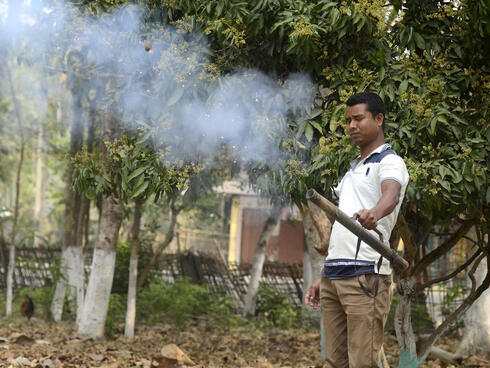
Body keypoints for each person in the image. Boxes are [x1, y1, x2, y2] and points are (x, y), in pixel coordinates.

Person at [305, 92, 409, 368]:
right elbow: (342, 231)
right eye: (349, 120)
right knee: (333, 363)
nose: (351, 125)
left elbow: (392, 193)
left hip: (365, 277)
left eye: (358, 118)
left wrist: (375, 213)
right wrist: (323, 274)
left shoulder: (389, 161)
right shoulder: (352, 170)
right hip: (334, 276)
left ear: (378, 119)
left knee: (361, 363)